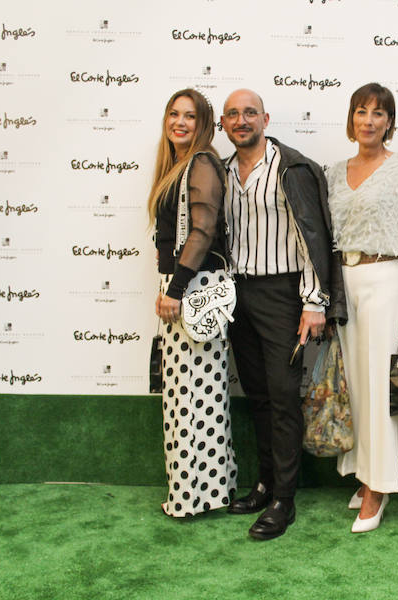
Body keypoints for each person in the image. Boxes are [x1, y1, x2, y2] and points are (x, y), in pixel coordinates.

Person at [220, 89, 346, 540]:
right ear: (223, 124)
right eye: (233, 114)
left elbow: (313, 235)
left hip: (284, 295)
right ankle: (264, 483)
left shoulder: (292, 167)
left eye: (250, 112)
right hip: (239, 294)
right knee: (256, 395)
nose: (242, 120)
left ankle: (284, 500)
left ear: (265, 118)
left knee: (282, 395)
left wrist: (315, 302)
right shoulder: (222, 171)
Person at [325, 83, 398, 533]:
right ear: (351, 119)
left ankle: (379, 487)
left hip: (387, 278)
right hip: (344, 282)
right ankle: (365, 473)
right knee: (357, 386)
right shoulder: (332, 172)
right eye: (361, 112)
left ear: (390, 121)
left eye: (378, 113)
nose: (369, 120)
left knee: (382, 388)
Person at [149, 88, 236, 518]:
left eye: (189, 116)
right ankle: (205, 491)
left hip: (192, 289)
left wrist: (176, 289)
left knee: (194, 398)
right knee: (189, 397)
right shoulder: (178, 168)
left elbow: (201, 231)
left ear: (203, 124)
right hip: (183, 286)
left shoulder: (201, 163)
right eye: (173, 114)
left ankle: (192, 496)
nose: (179, 122)